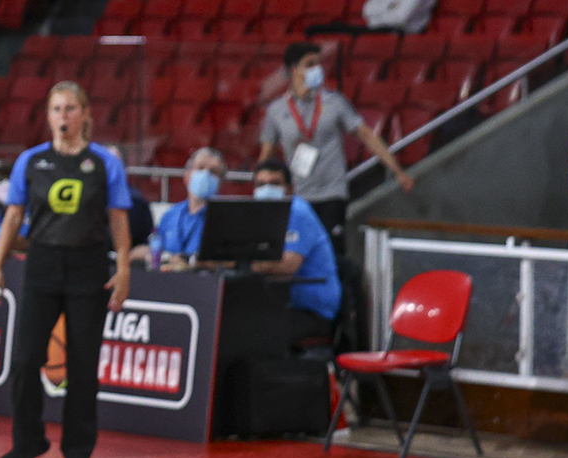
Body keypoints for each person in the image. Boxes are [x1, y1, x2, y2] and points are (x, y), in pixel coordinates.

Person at [0, 81, 132, 458]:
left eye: (70, 108)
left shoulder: (105, 163)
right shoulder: (31, 161)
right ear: (47, 115)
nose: (62, 116)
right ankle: (27, 440)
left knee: (83, 365)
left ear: (86, 114)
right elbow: (14, 216)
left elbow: (118, 219)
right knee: (24, 360)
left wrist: (123, 268)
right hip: (42, 263)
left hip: (89, 265)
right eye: (55, 109)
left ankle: (78, 452)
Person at [258, 42, 414, 249]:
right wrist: (260, 188)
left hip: (333, 192)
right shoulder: (277, 110)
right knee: (300, 251)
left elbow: (366, 135)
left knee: (330, 249)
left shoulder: (334, 102)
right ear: (295, 70)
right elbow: (266, 154)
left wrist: (397, 170)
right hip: (299, 193)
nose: (317, 69)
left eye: (318, 64)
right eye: (310, 64)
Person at [248, 159, 342, 346]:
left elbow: (288, 266)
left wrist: (243, 263)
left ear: (289, 188)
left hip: (313, 310)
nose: (266, 189)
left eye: (274, 184)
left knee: (252, 331)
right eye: (261, 184)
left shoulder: (298, 212)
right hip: (281, 302)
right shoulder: (260, 214)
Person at [154, 147, 226, 268]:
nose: (206, 174)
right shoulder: (170, 215)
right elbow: (155, 249)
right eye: (200, 168)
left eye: (214, 172)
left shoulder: (225, 218)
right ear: (186, 177)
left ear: (221, 182)